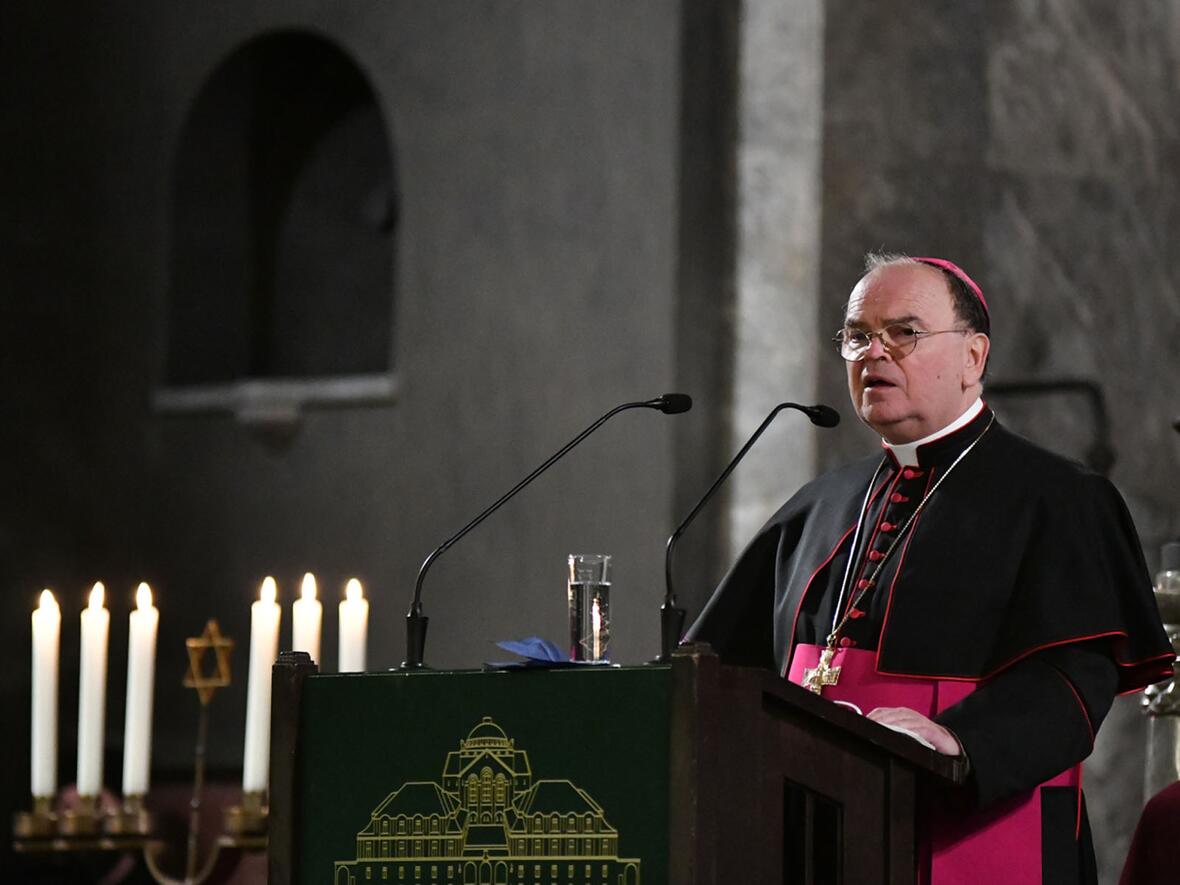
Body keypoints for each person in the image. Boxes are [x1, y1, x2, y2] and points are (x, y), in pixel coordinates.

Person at [686, 253, 1174, 884]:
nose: (874, 353)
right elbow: (723, 668)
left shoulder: (1059, 499)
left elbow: (1074, 679)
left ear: (974, 357)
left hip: (972, 821)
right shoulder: (819, 505)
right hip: (813, 835)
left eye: (904, 333)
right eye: (858, 336)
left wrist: (960, 740)